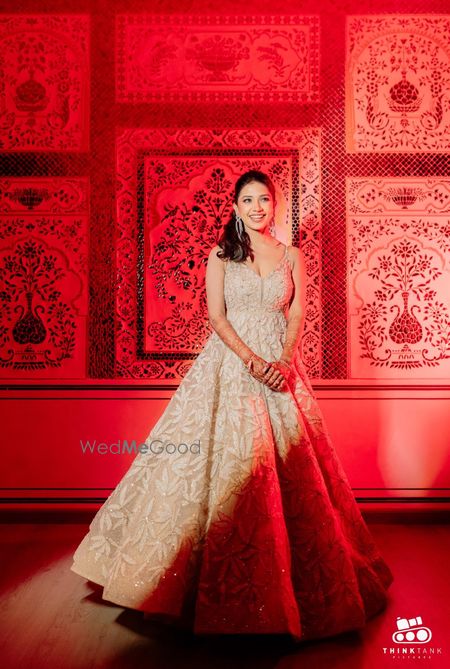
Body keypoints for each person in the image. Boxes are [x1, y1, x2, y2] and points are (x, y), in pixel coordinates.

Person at [71, 169, 394, 643]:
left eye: (264, 199)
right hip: (230, 365)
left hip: (282, 368)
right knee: (221, 466)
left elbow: (297, 312)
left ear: (274, 204)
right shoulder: (221, 255)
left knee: (291, 470)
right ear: (236, 207)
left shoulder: (292, 255)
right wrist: (252, 361)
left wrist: (283, 361)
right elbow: (217, 317)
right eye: (248, 200)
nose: (257, 207)